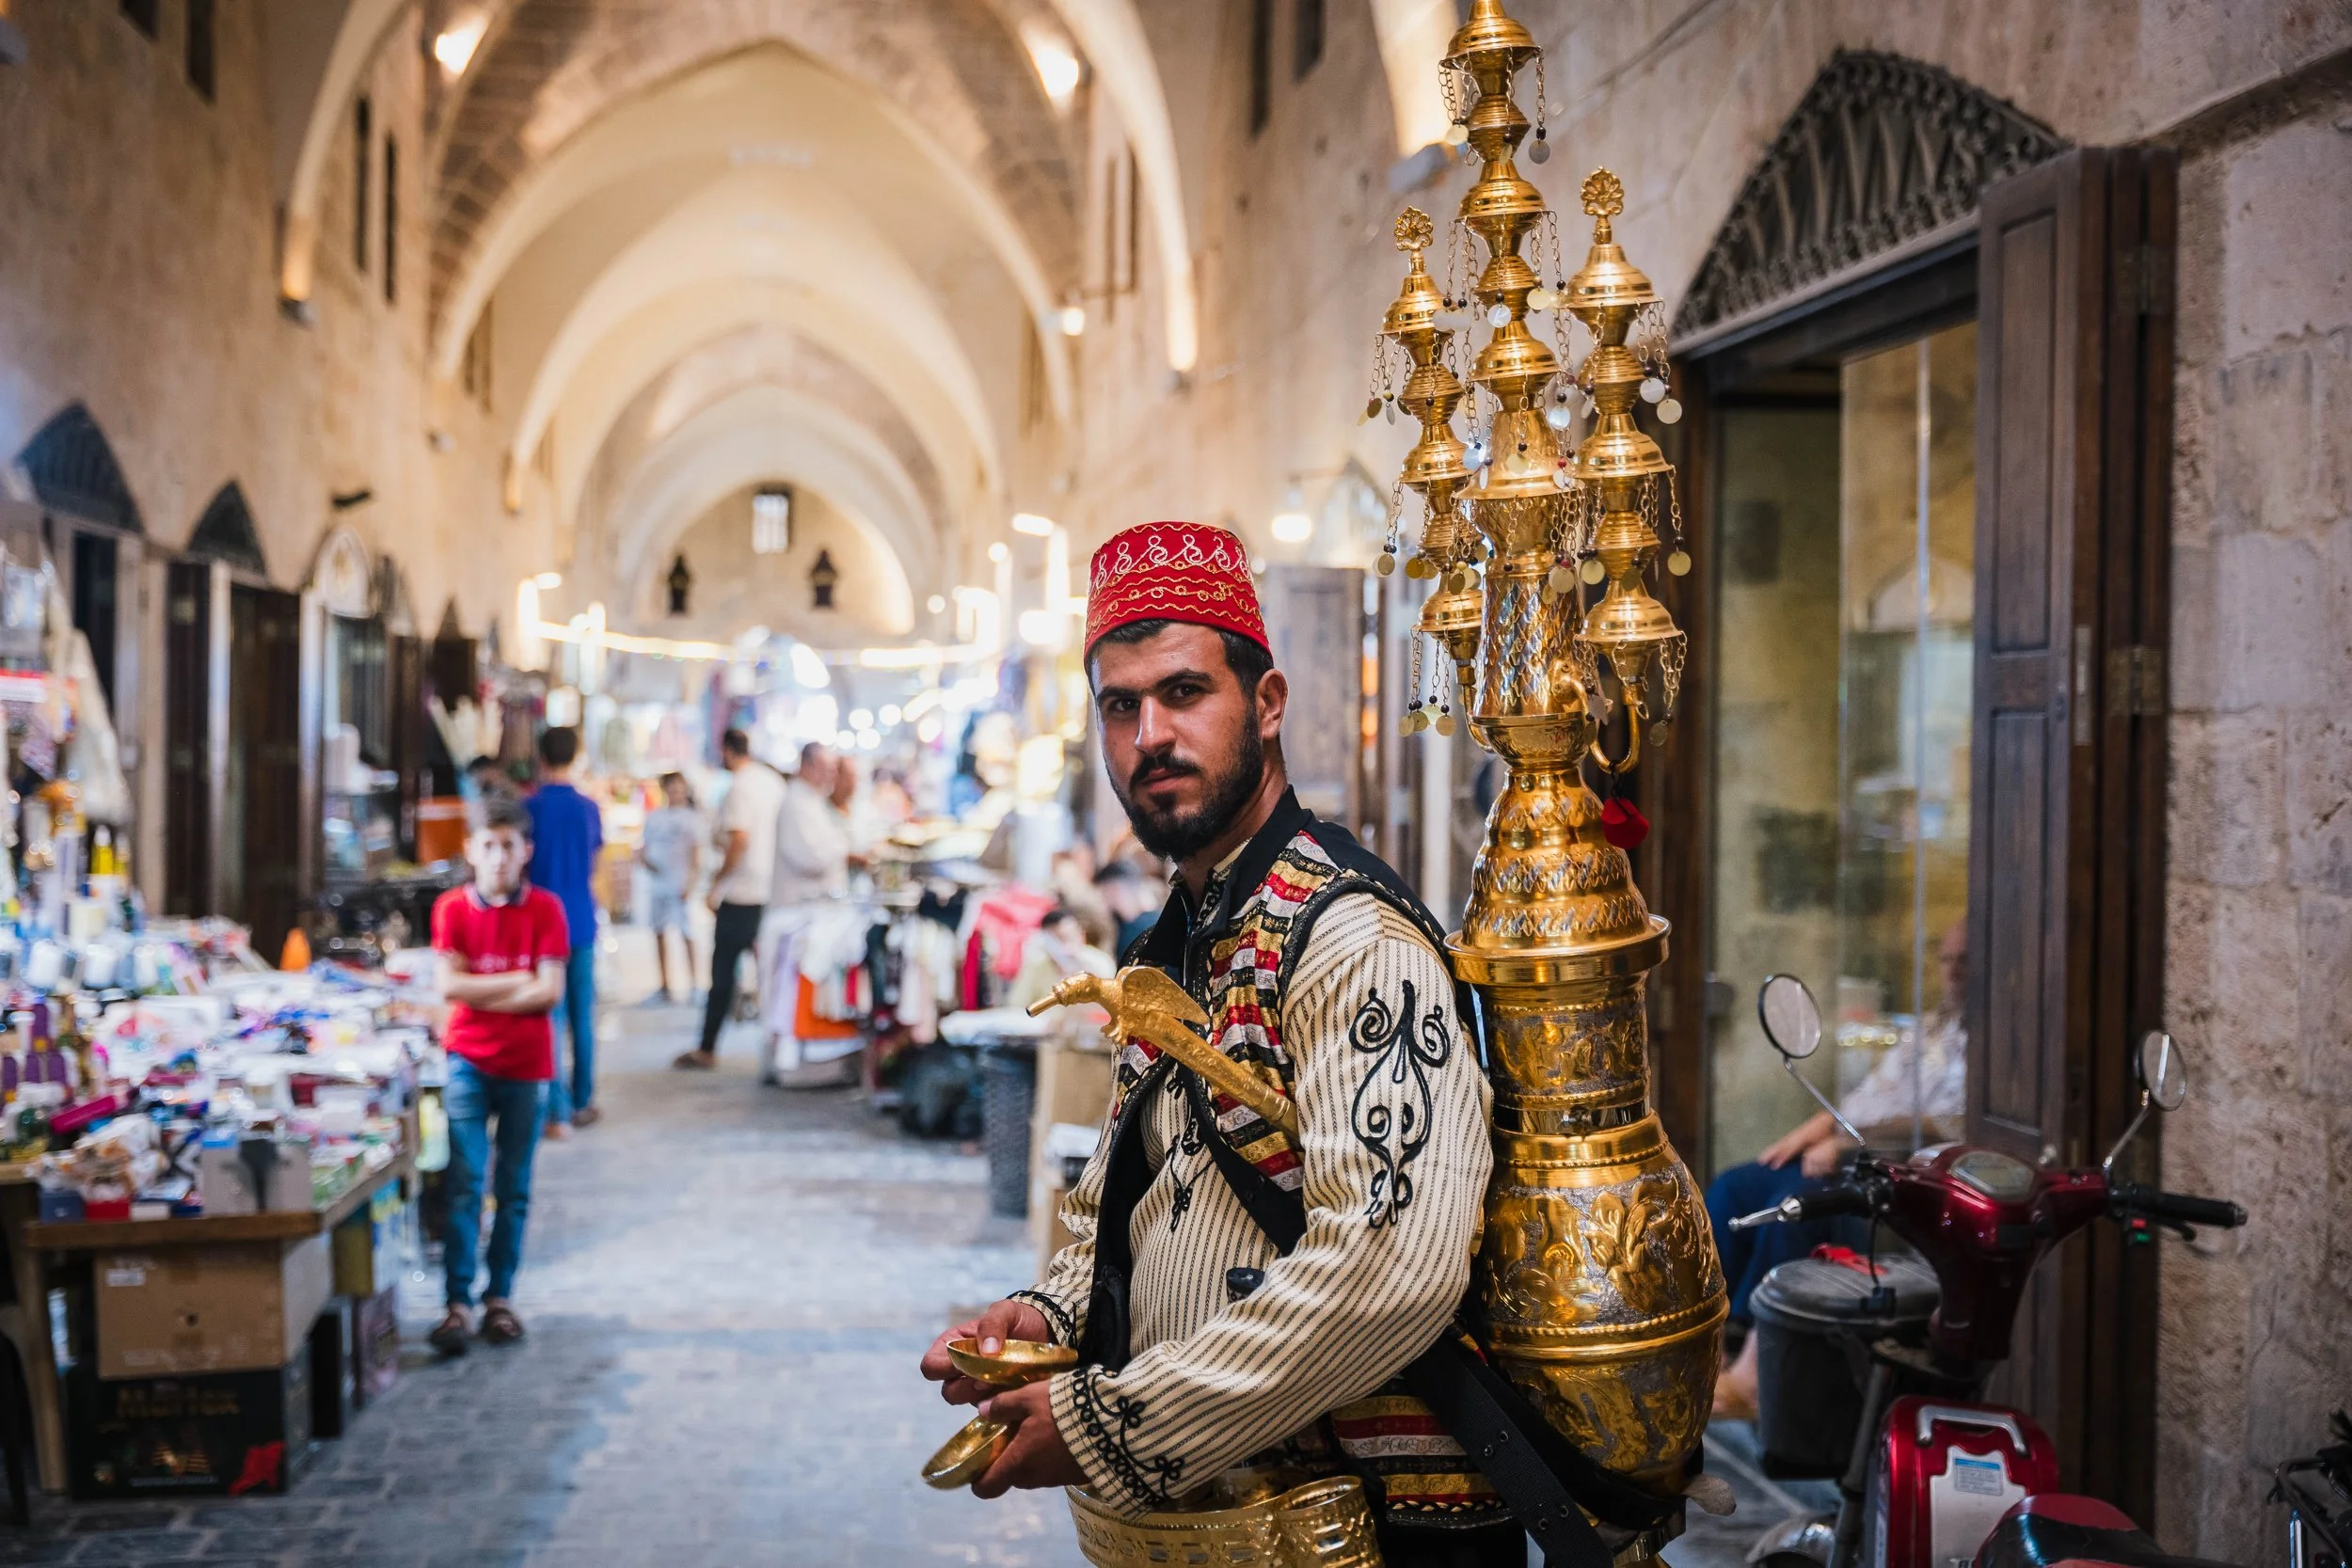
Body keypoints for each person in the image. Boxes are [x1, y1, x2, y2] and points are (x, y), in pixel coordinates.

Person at [917, 521, 1515, 1565]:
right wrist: (1046, 1313)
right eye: (1120, 704)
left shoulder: (1351, 941)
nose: (1150, 733)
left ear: (1267, 701)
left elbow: (1390, 1265)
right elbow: (1134, 1194)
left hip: (1371, 1536)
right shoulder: (1186, 938)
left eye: (1184, 692)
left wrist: (1114, 1423)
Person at [1707, 922, 1970, 1418]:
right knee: (1734, 1187)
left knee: (1791, 1205)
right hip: (1851, 1142)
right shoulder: (1932, 1026)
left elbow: (1939, 1122)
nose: (1953, 971)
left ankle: (1752, 1378)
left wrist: (1845, 1141)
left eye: (1966, 961)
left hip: (1894, 1168)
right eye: (1947, 959)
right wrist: (1808, 1131)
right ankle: (1710, 1350)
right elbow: (1868, 1095)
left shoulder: (1989, 1043)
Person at [428, 798, 567, 1354]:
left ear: (526, 851)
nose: (499, 857)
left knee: (513, 1190)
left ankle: (499, 1299)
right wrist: (519, 983)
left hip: (527, 1070)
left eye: (509, 846)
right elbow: (448, 987)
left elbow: (551, 991)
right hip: (467, 1062)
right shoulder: (451, 910)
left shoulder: (547, 911)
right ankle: (457, 1303)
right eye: (488, 845)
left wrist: (480, 987)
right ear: (470, 849)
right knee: (463, 1183)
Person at [677, 729, 786, 1070]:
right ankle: (778, 1050)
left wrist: (717, 884)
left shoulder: (741, 786)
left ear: (725, 750)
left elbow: (740, 839)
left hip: (743, 894)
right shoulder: (771, 781)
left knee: (722, 974)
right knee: (771, 976)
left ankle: (707, 1047)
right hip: (771, 892)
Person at [759, 742, 857, 1082]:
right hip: (794, 911)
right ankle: (784, 1066)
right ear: (809, 766)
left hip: (812, 910)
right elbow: (809, 856)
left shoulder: (811, 802)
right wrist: (845, 852)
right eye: (827, 769)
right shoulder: (796, 802)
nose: (831, 777)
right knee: (781, 997)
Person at [525, 727, 605, 1133]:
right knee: (582, 1016)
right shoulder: (588, 808)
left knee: (550, 1019)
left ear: (541, 757)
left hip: (541, 926)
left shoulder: (531, 808)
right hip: (581, 919)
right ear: (575, 756)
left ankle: (555, 1112)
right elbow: (595, 862)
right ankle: (583, 1100)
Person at [638, 772, 703, 1003]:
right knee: (659, 933)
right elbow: (644, 849)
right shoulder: (655, 818)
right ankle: (665, 985)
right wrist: (646, 862)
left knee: (687, 933)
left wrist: (691, 882)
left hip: (680, 884)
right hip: (658, 885)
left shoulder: (691, 818)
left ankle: (695, 984)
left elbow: (696, 853)